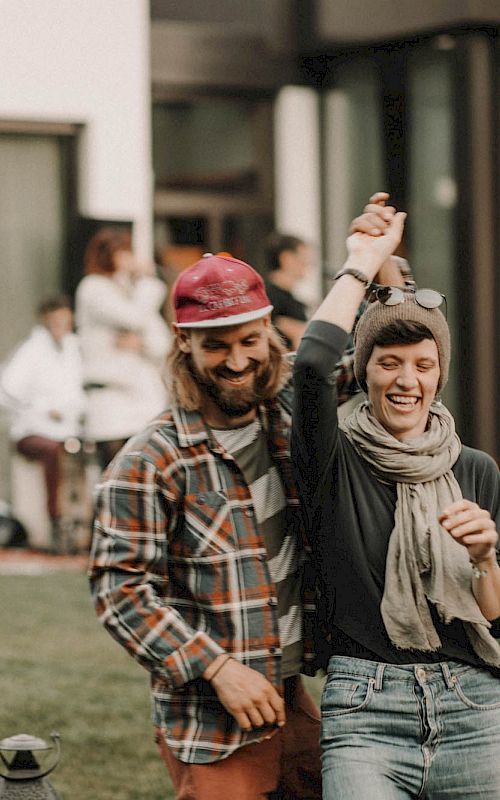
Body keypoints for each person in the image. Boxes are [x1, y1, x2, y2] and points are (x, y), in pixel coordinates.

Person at [88, 243, 376, 800]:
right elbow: (120, 590)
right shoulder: (150, 460)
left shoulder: (289, 406)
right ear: (183, 342)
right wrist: (217, 668)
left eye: (249, 341)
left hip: (296, 695)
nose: (238, 360)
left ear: (268, 329)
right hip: (215, 718)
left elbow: (371, 347)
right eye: (215, 346)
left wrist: (377, 257)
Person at [292, 200, 500, 799]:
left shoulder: (476, 470)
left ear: (440, 374)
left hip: (475, 705)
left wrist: (487, 557)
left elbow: (493, 615)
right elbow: (310, 366)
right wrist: (363, 264)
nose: (407, 380)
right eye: (389, 363)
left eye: (423, 364)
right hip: (365, 710)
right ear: (364, 372)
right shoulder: (332, 458)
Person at [75, 227, 170, 469]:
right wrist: (149, 282)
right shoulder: (93, 288)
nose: (131, 260)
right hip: (111, 399)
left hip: (143, 399)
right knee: (113, 473)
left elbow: (160, 342)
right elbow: (134, 318)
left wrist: (141, 343)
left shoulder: (132, 292)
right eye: (125, 253)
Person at [0, 294, 86, 549]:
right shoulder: (31, 351)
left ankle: (84, 523)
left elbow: (77, 393)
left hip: (69, 430)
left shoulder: (73, 348)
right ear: (46, 320)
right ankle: (56, 520)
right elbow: (7, 391)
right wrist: (44, 410)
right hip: (32, 431)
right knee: (54, 452)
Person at [264, 233, 311, 351]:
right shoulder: (270, 301)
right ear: (286, 258)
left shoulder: (289, 300)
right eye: (303, 259)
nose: (307, 265)